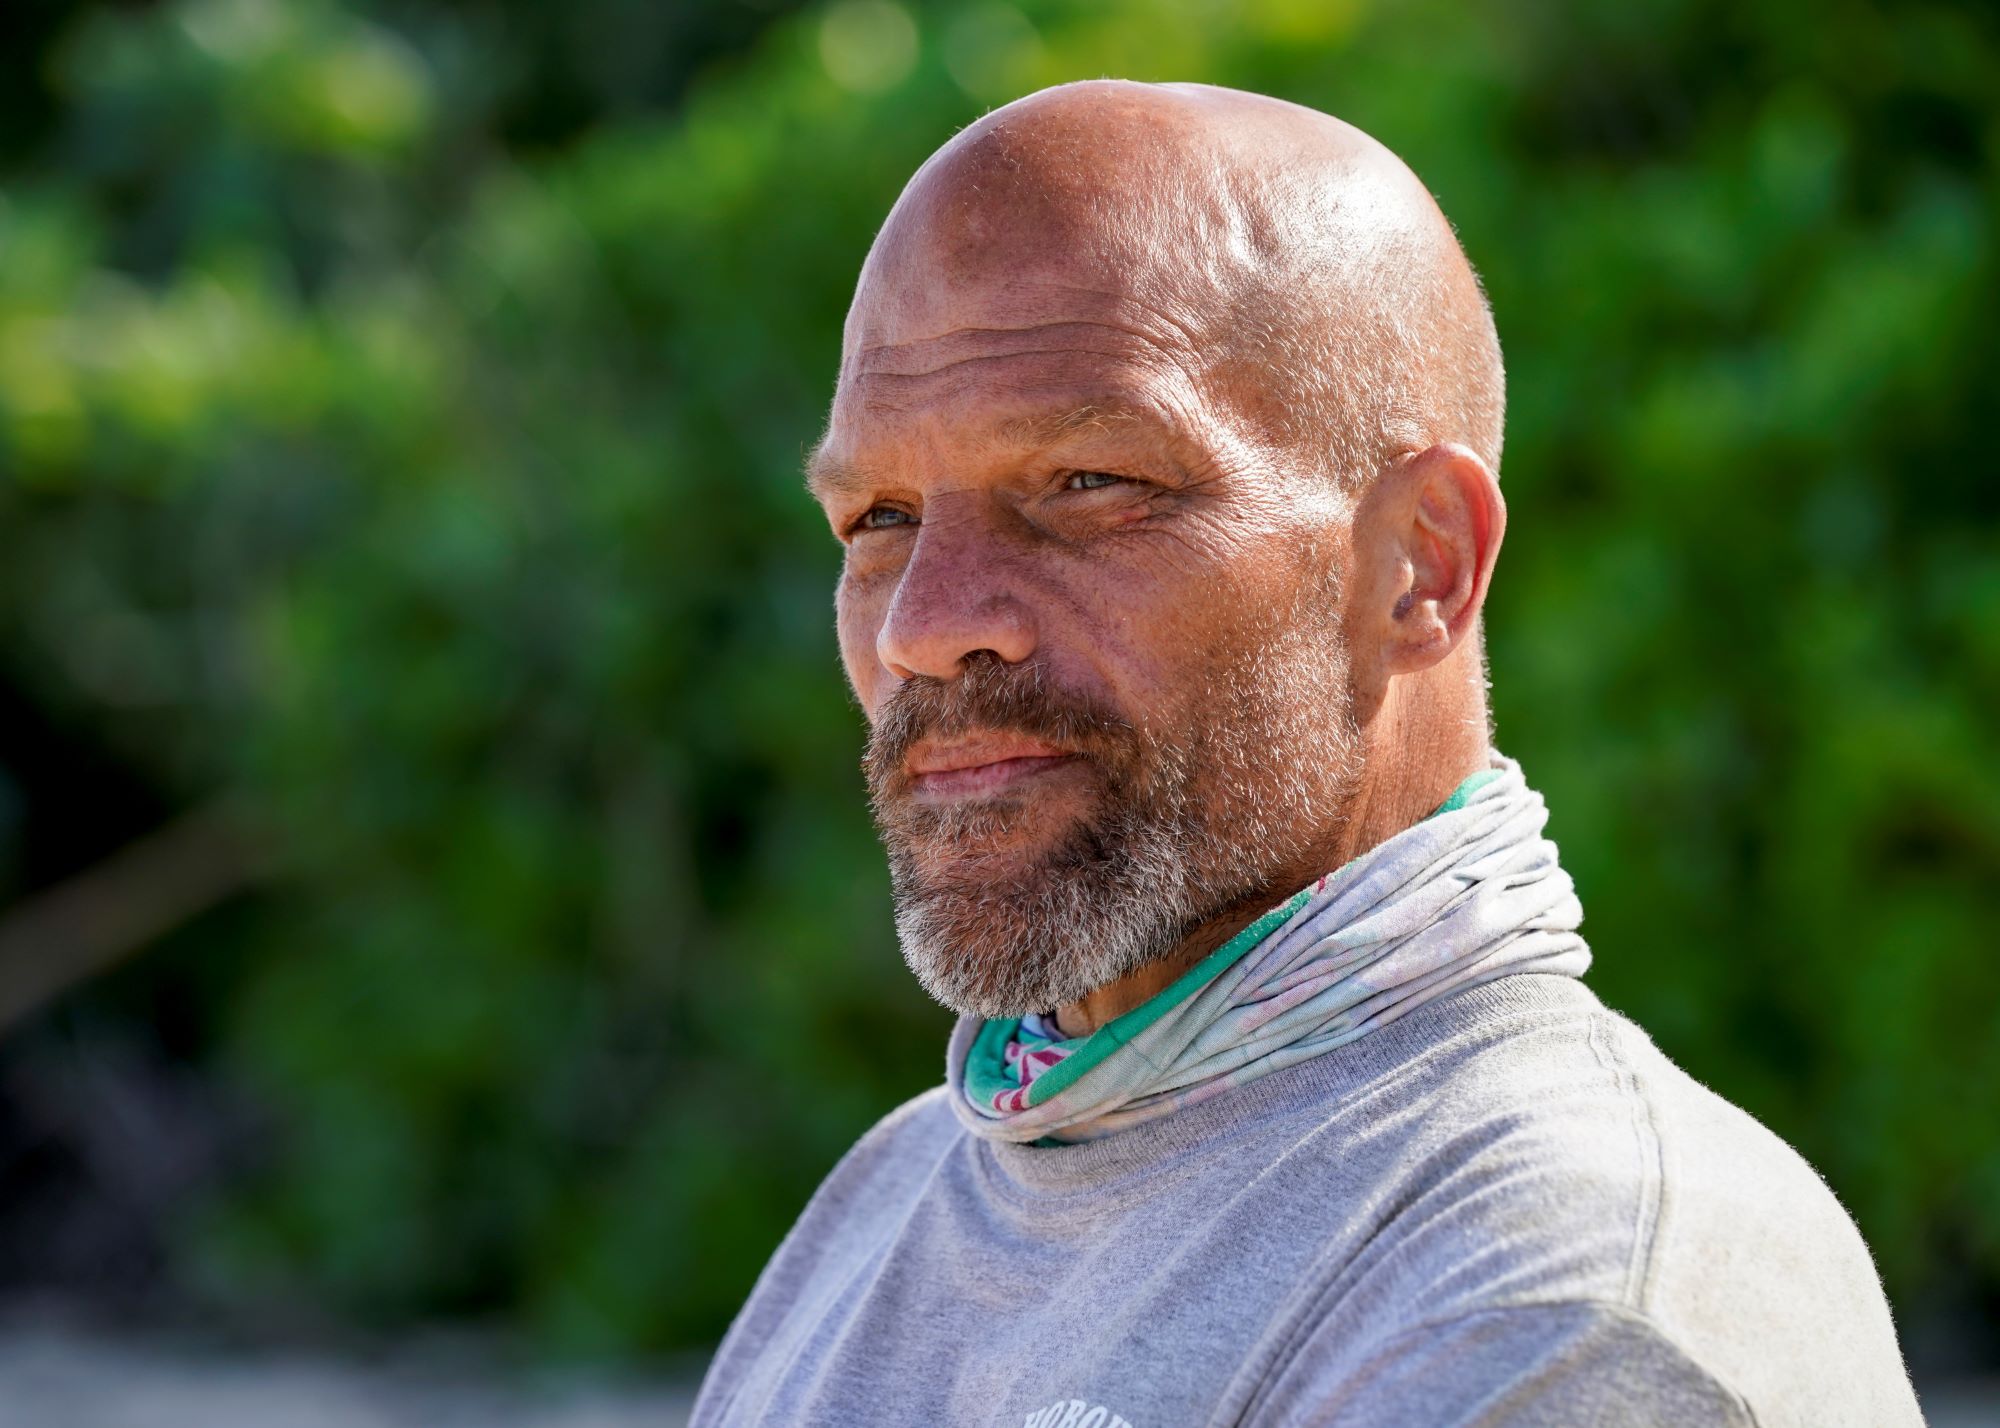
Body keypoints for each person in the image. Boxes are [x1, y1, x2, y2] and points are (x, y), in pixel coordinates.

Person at [690, 80, 1923, 1427]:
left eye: (1091, 485)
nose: (928, 627)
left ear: (1421, 564)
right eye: (877, 516)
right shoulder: (896, 1196)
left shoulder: (1559, 1294)